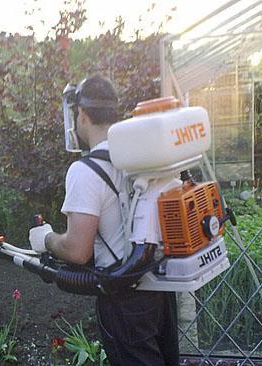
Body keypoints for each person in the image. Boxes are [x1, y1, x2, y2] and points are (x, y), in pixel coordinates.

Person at [28, 75, 179, 366]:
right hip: (160, 289)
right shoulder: (144, 157)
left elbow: (77, 250)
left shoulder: (85, 171)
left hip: (124, 298)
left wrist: (46, 239)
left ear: (81, 116)